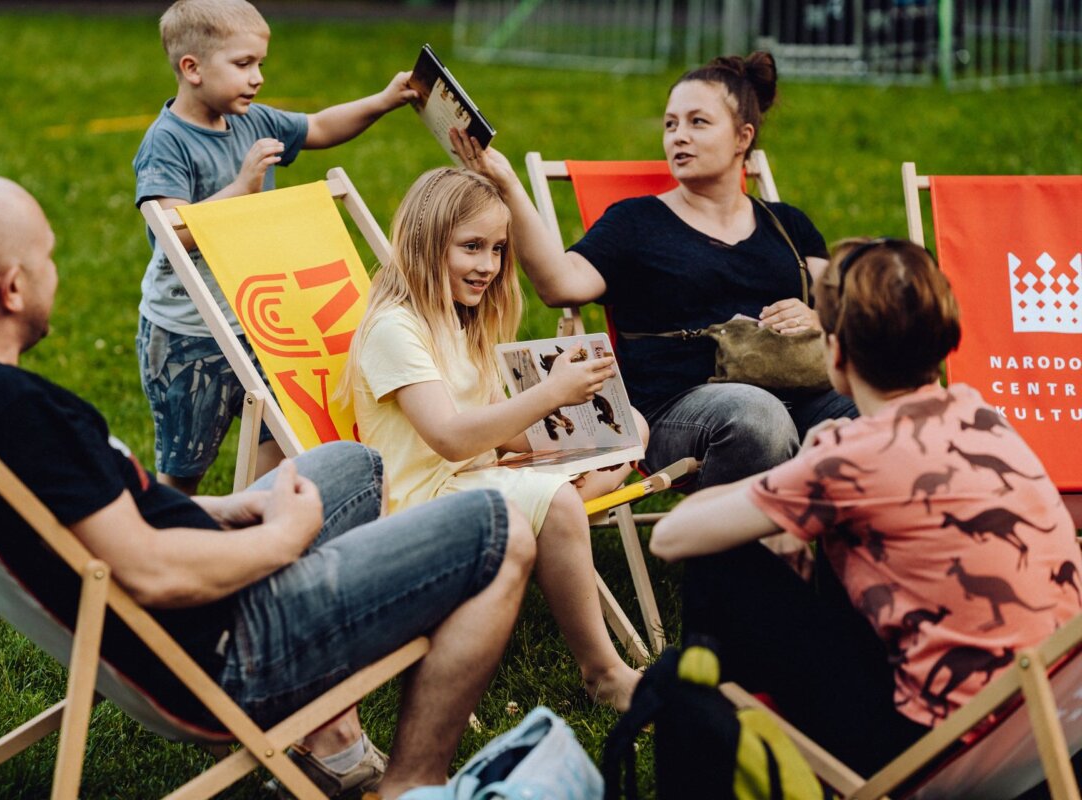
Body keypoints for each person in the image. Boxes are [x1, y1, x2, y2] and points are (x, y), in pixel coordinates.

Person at [0, 174, 536, 800]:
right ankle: (412, 783)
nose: (54, 274)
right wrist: (282, 538)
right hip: (228, 648)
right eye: (46, 258)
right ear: (13, 287)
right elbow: (154, 574)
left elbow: (87, 517)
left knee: (353, 465)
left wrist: (229, 508)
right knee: (498, 529)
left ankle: (329, 740)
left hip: (196, 600)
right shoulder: (22, 413)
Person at [648, 237, 1082, 775]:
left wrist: (797, 473)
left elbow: (670, 537)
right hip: (1054, 727)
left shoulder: (849, 458)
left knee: (721, 564)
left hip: (947, 753)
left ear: (834, 350)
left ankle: (723, 758)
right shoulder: (984, 417)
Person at [451, 51, 857, 490]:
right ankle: (731, 557)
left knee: (878, 412)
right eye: (670, 124)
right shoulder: (636, 222)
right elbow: (560, 284)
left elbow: (852, 304)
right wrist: (508, 184)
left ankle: (857, 558)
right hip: (677, 411)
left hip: (802, 393)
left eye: (698, 122)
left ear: (743, 138)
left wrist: (820, 318)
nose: (678, 136)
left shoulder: (787, 223)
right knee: (759, 415)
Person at [340, 167, 643, 710]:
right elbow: (451, 439)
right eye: (471, 247)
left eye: (498, 249)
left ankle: (552, 529)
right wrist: (549, 395)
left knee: (628, 429)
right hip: (420, 504)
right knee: (555, 500)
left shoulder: (458, 320)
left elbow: (489, 437)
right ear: (426, 243)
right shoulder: (394, 328)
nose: (487, 265)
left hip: (477, 477)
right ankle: (604, 672)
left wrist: (572, 425)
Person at [134, 0, 419, 495]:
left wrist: (383, 100)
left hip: (256, 315)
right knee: (186, 462)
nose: (258, 77)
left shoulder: (251, 120)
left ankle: (259, 520)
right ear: (191, 68)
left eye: (260, 63)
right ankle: (168, 537)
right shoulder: (167, 143)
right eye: (243, 64)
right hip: (188, 332)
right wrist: (241, 189)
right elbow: (167, 228)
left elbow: (320, 128)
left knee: (281, 431)